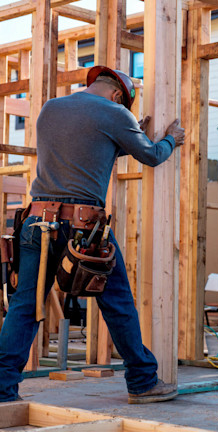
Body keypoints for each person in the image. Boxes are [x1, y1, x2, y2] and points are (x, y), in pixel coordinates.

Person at [0, 66, 185, 403]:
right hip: (83, 228)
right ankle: (143, 382)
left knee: (24, 307)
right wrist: (172, 139)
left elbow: (88, 150)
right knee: (118, 303)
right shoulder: (115, 113)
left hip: (36, 221)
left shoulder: (51, 108)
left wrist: (129, 134)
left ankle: (2, 388)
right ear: (119, 96)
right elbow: (152, 155)